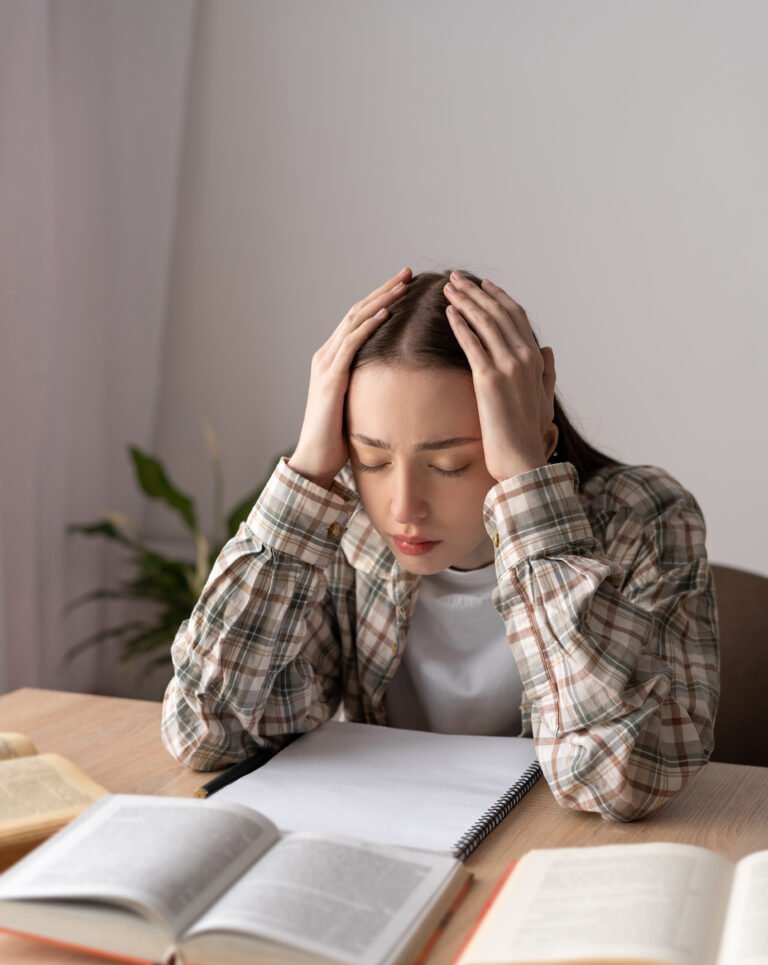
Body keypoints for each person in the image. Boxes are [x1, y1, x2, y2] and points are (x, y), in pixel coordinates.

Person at [161, 267, 719, 822]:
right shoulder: (345, 524)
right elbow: (207, 734)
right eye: (372, 460)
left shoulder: (644, 517)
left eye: (449, 465)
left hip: (550, 849)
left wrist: (531, 498)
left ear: (536, 441)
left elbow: (624, 779)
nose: (402, 507)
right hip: (389, 833)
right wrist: (306, 476)